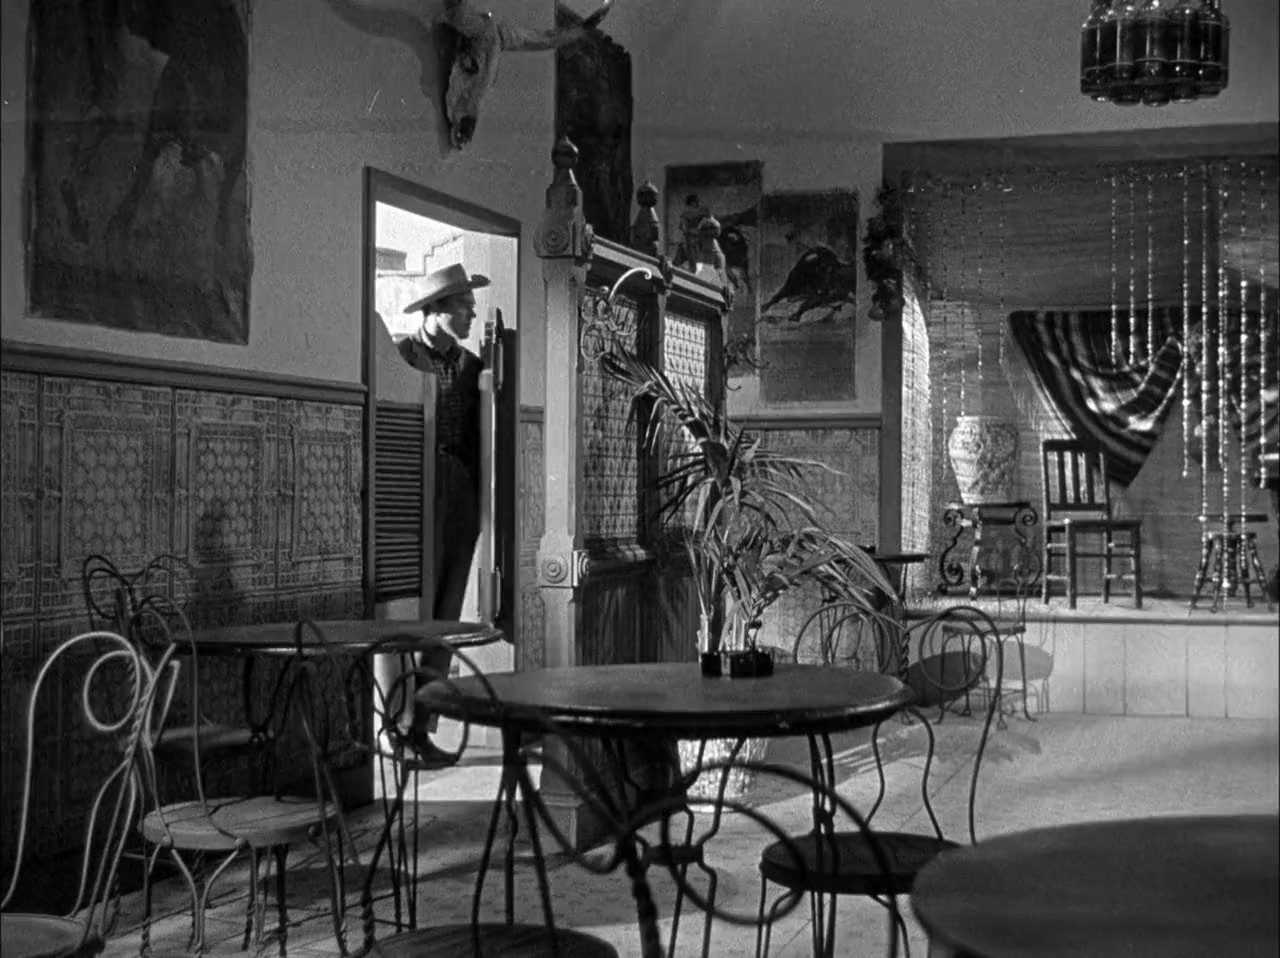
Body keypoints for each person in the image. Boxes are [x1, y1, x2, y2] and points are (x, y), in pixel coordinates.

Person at [393, 262, 489, 768]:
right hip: (411, 490)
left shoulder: (474, 367)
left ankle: (422, 726)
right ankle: (395, 724)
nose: (471, 314)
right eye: (463, 307)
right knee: (407, 613)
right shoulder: (400, 356)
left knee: (446, 616)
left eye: (471, 307)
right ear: (435, 310)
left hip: (459, 490)